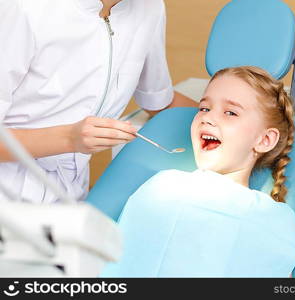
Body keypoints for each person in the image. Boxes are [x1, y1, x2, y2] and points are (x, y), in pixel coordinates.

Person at [102, 66, 295, 277]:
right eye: (204, 108)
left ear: (264, 140)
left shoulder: (275, 220)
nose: (207, 118)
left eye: (230, 112)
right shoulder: (164, 186)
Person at [0, 0, 197, 203]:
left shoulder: (149, 7)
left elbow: (159, 101)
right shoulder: (22, 8)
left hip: (70, 198)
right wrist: (69, 138)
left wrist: (223, 118)